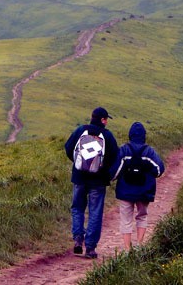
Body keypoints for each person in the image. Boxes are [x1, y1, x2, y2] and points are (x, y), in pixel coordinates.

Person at [64, 107, 119, 259]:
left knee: (77, 208)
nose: (107, 121)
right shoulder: (107, 136)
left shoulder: (80, 130)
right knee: (95, 211)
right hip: (98, 181)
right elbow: (115, 156)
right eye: (106, 119)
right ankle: (90, 248)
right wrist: (105, 171)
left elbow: (68, 149)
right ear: (102, 120)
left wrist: (78, 164)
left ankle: (77, 240)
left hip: (79, 177)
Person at [110, 121, 165, 250]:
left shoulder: (124, 150)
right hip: (144, 191)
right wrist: (149, 175)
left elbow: (115, 170)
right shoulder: (149, 151)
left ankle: (127, 249)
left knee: (126, 219)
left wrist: (110, 179)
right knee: (142, 217)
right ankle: (140, 246)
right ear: (144, 135)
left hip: (125, 191)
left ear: (130, 135)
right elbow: (159, 170)